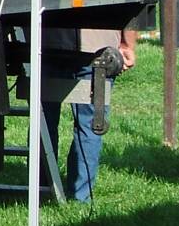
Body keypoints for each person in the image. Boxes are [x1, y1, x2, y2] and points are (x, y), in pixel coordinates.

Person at [39, 27, 138, 205]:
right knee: (90, 125)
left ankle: (41, 191)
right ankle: (80, 198)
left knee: (44, 121)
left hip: (49, 40)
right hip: (98, 45)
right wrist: (127, 44)